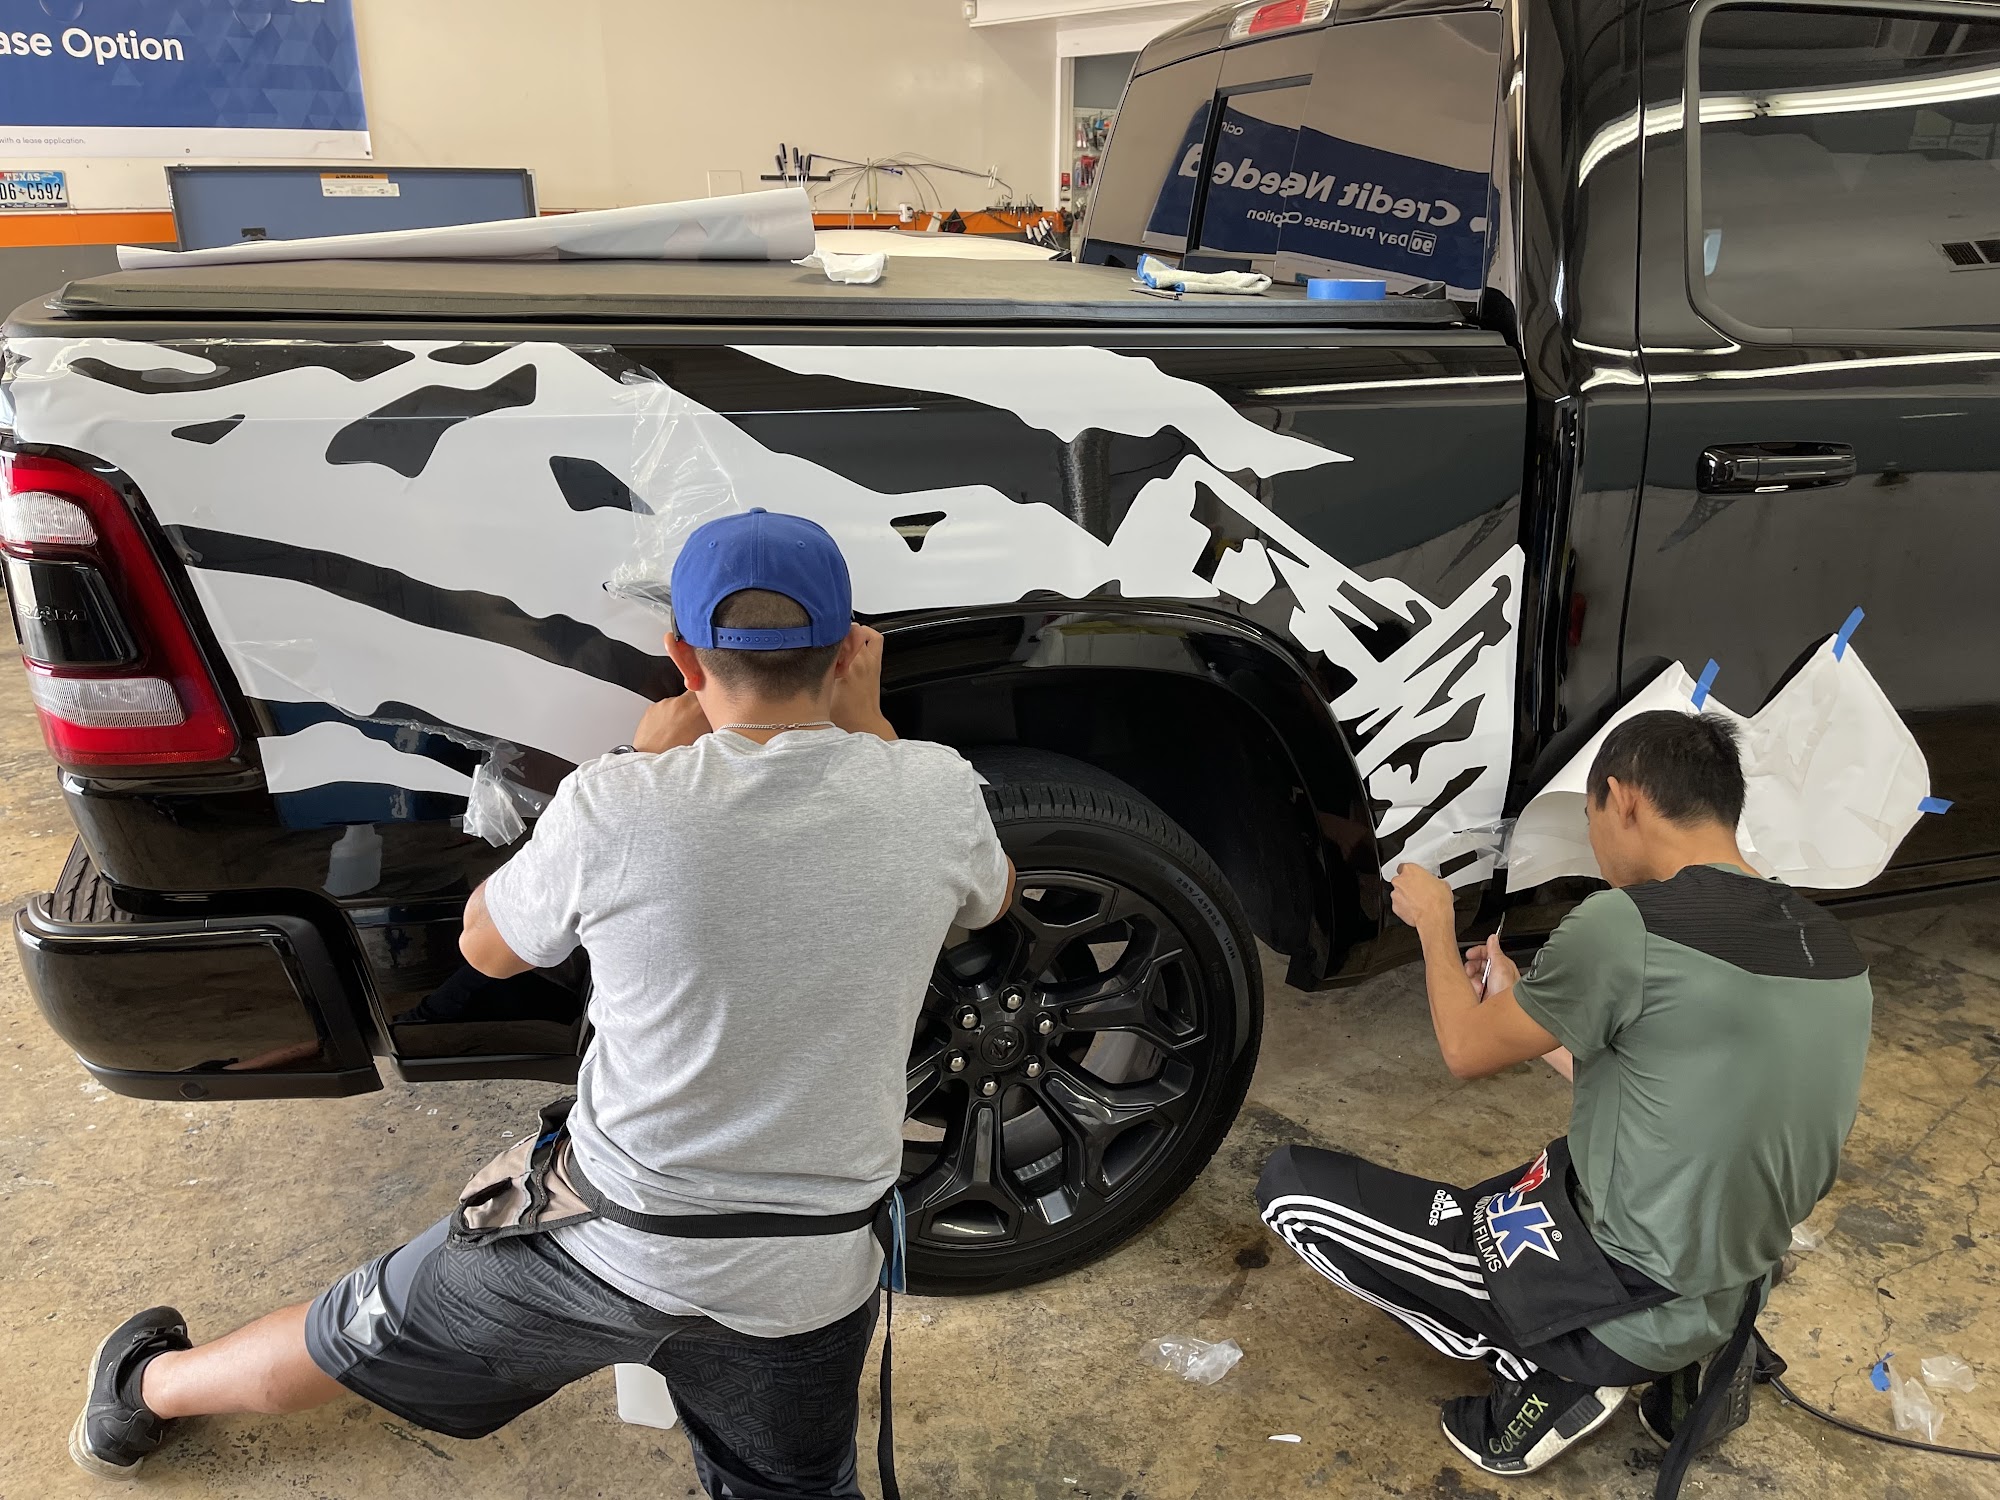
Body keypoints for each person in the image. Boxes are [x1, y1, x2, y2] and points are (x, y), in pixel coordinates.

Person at [71, 509, 1015, 1499]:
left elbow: (486, 946)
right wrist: (873, 733)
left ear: (681, 656)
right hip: (805, 1281)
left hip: (604, 1243)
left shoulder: (620, 803)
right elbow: (989, 901)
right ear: (850, 651)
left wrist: (634, 766)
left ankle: (142, 1394)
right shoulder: (935, 792)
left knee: (349, 1328)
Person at [1256, 711, 1872, 1478]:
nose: (1593, 843)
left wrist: (1435, 927)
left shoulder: (1627, 924)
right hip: (1734, 1276)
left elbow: (1464, 1050)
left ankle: (1561, 1366)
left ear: (1624, 799)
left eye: (1589, 818)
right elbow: (1673, 1100)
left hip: (1622, 1290)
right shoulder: (1830, 945)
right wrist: (1530, 1007)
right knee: (1553, 1176)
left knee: (1292, 1192)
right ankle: (1707, 1354)